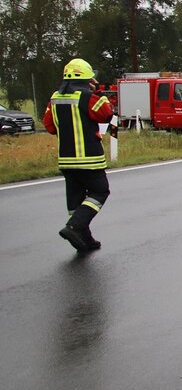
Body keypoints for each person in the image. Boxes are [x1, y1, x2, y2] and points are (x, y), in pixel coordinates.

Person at [42, 58, 115, 252]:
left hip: (66, 160)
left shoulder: (55, 98)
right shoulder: (87, 97)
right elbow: (106, 113)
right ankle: (73, 227)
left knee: (75, 200)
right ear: (86, 78)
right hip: (89, 158)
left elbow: (49, 126)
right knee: (100, 192)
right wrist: (98, 92)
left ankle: (84, 240)